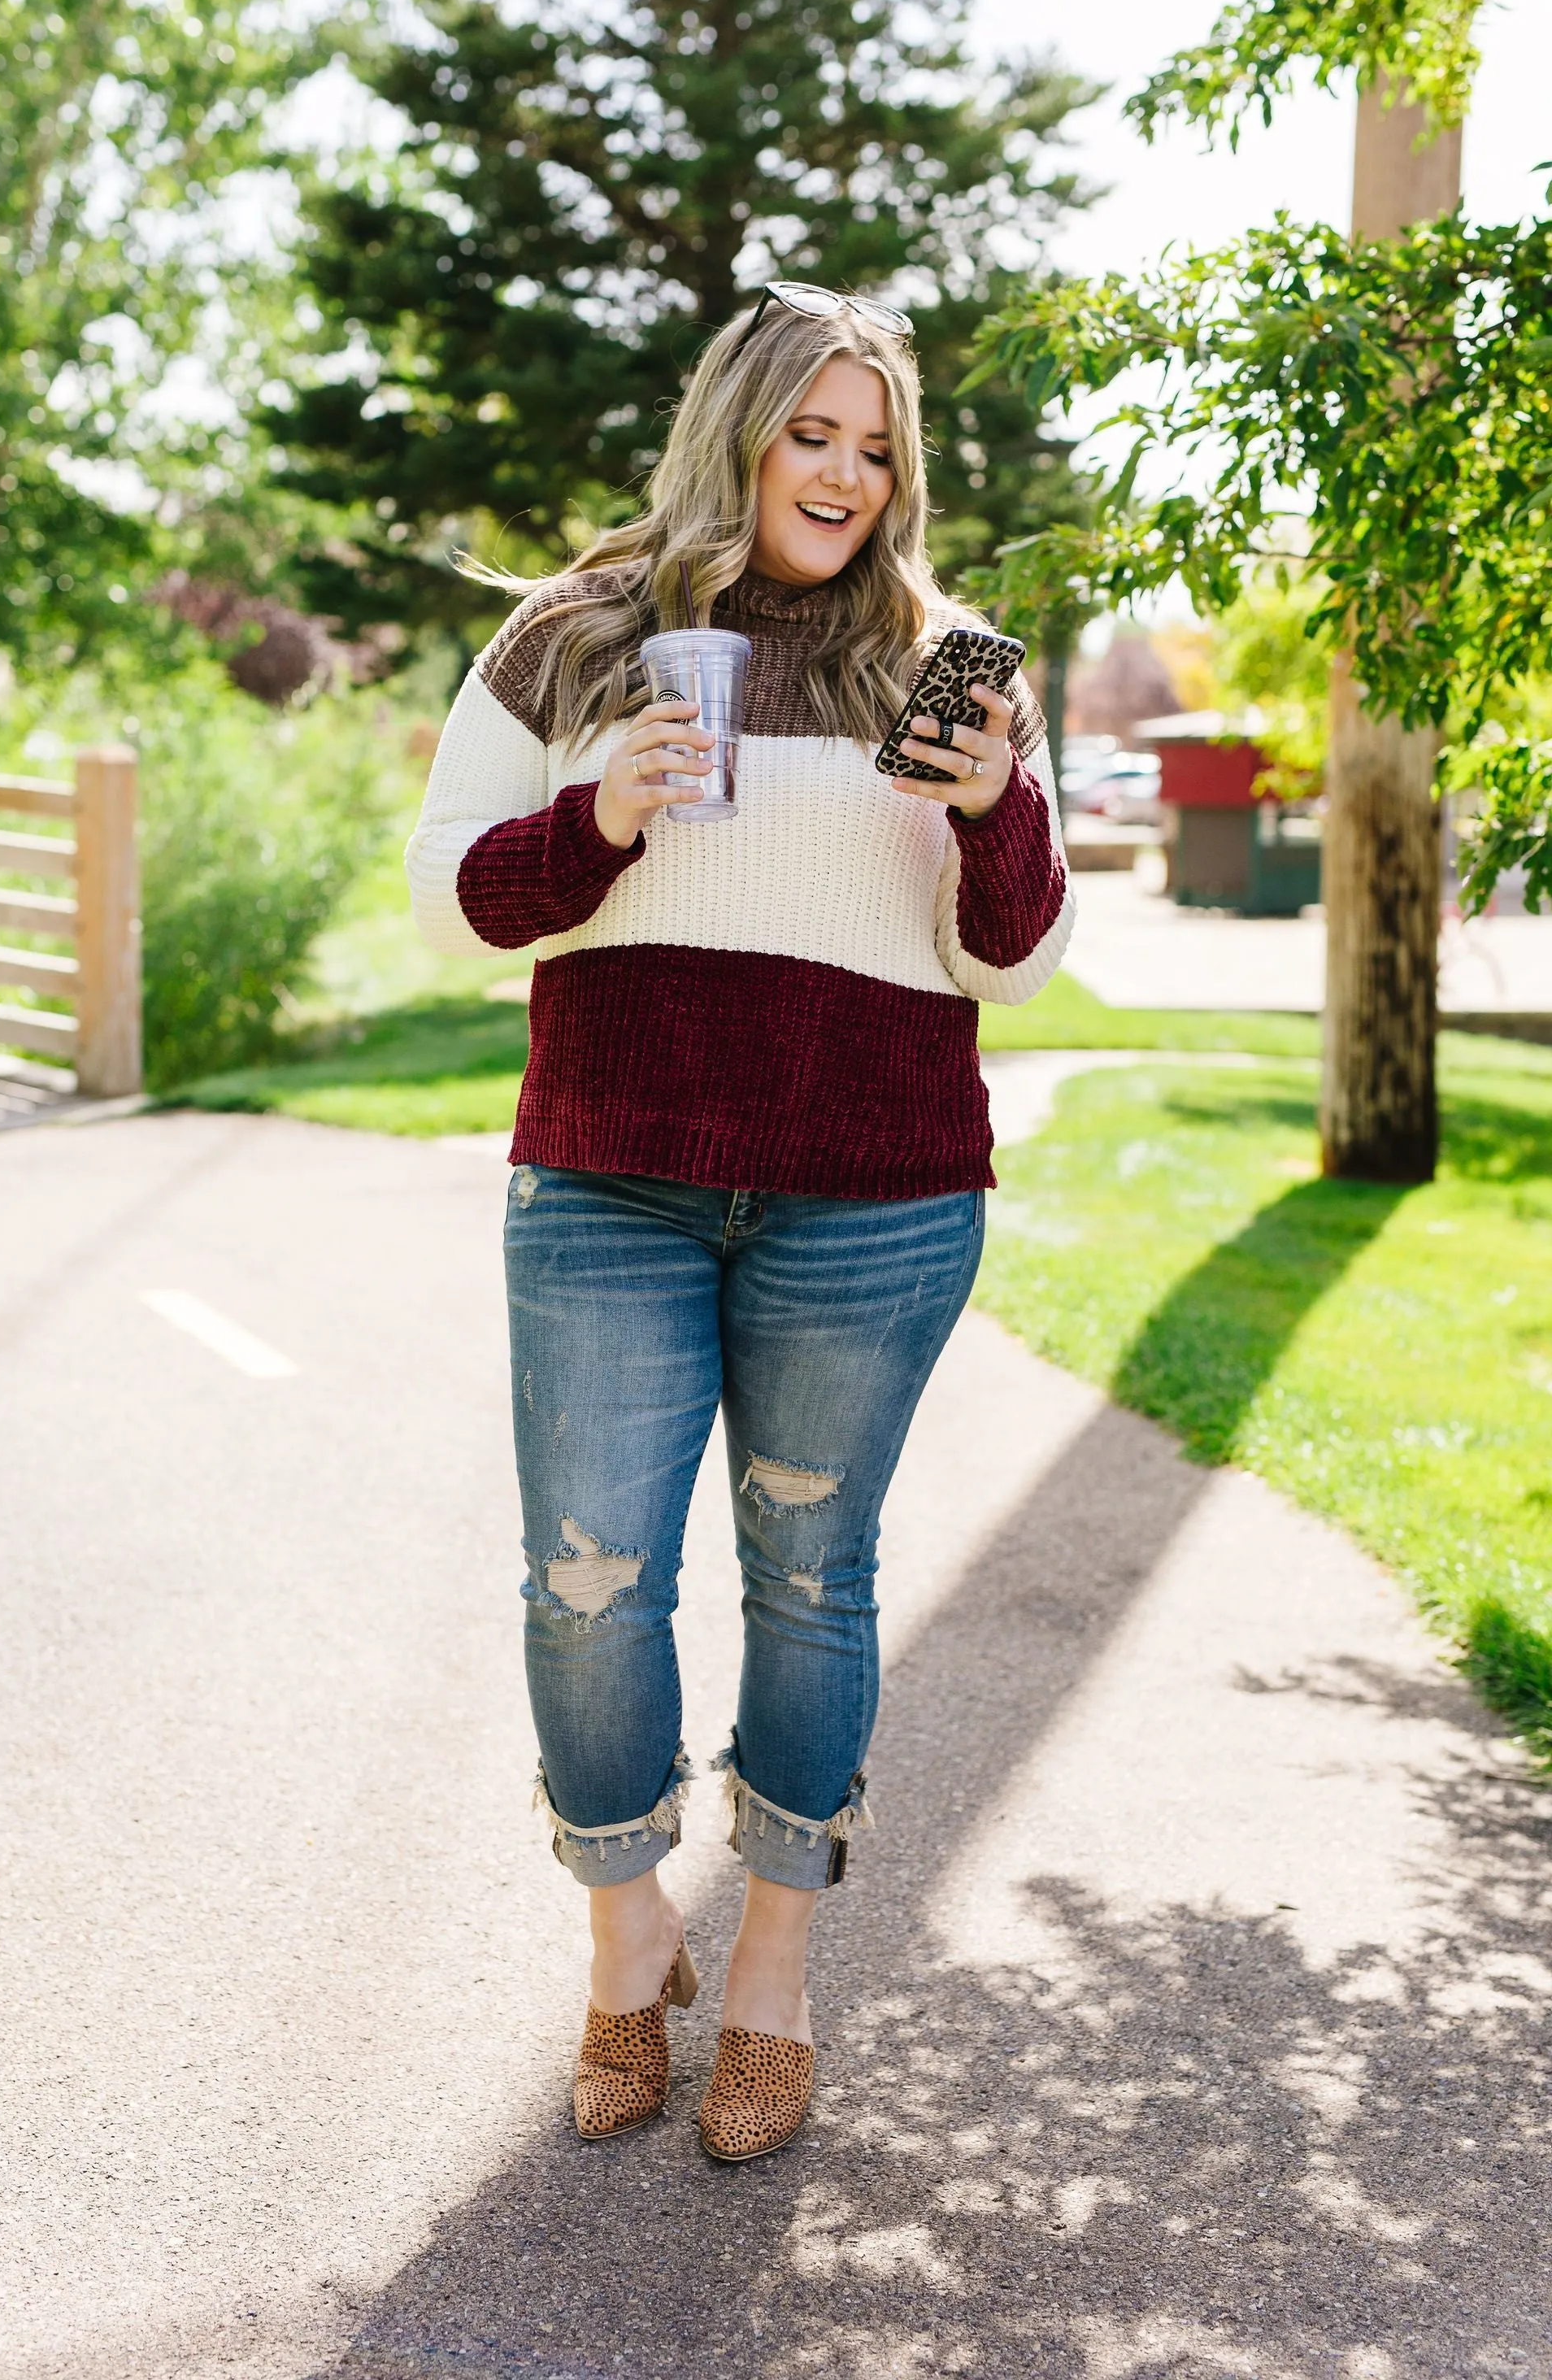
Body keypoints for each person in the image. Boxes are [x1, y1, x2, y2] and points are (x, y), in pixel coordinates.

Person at [406, 283, 1074, 2161]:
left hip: (872, 1199)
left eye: (876, 447)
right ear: (742, 427)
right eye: (813, 433)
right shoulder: (577, 632)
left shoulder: (952, 660)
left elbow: (1016, 960)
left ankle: (772, 1965)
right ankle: (633, 1943)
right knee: (589, 1578)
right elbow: (447, 900)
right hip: (609, 1172)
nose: (845, 476)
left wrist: (996, 806)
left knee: (811, 1576)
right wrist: (591, 823)